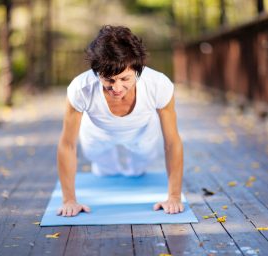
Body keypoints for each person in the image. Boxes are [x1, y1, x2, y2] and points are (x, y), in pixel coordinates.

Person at [57, 25, 184, 217]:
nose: (117, 88)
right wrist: (69, 200)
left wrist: (174, 197)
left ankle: (133, 167)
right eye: (109, 79)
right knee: (105, 169)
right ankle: (106, 166)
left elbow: (172, 142)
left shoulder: (159, 85)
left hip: (142, 131)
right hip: (97, 131)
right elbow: (67, 145)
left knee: (138, 168)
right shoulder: (80, 88)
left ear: (138, 70)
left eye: (125, 78)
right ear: (96, 72)